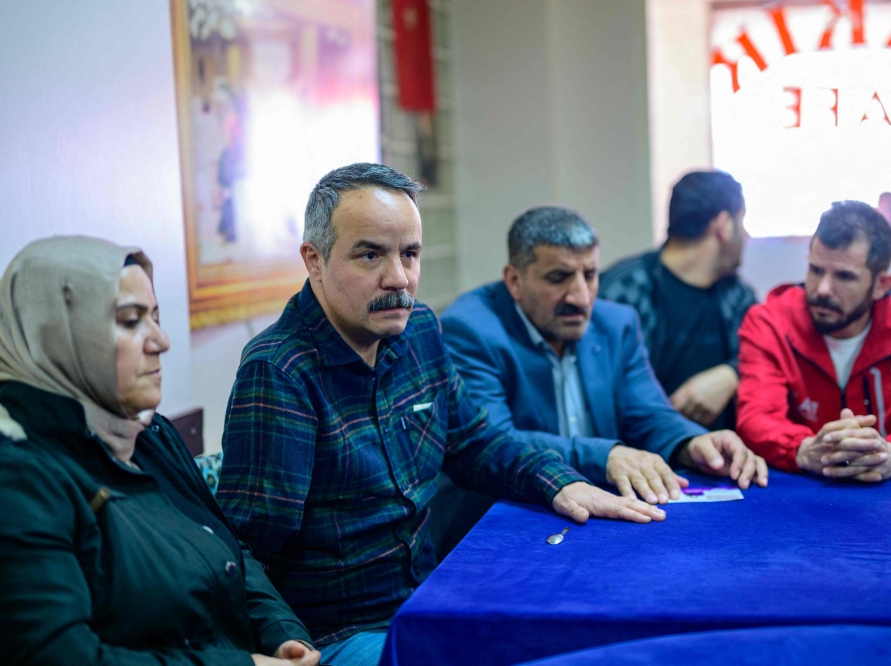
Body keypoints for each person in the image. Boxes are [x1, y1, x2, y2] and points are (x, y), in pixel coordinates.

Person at [216, 164, 666, 666]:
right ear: (314, 260)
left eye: (410, 254)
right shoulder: (279, 372)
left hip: (429, 599)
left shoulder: (420, 332)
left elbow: (475, 442)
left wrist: (560, 483)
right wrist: (284, 642)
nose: (399, 278)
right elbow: (244, 549)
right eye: (370, 255)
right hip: (339, 632)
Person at [0, 237, 320, 666]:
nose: (162, 341)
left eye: (155, 317)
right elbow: (58, 656)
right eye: (131, 322)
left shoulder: (149, 434)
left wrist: (281, 634)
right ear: (56, 335)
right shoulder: (20, 475)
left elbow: (230, 550)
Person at [440, 206, 767, 510]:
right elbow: (493, 443)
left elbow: (650, 414)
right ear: (514, 281)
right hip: (509, 513)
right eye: (559, 278)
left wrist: (693, 443)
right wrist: (606, 456)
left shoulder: (615, 324)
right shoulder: (471, 330)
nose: (581, 297)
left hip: (598, 511)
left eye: (590, 274)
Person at [737, 201, 891, 481]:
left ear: (881, 285)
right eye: (816, 270)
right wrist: (805, 449)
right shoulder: (768, 322)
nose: (822, 289)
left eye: (844, 276)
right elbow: (756, 419)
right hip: (801, 495)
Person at [600, 171, 756, 431]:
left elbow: (766, 361)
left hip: (724, 462)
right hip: (642, 460)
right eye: (742, 221)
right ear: (724, 226)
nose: (747, 235)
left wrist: (731, 375)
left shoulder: (738, 295)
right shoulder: (622, 291)